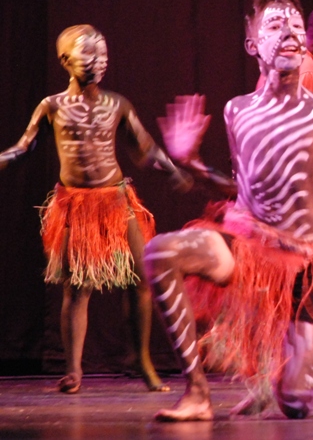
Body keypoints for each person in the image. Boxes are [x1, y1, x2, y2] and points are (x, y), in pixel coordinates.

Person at [143, 0, 313, 421]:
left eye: (296, 26)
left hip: (299, 261)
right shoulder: (237, 111)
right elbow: (240, 187)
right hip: (246, 245)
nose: (289, 34)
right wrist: (193, 163)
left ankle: (281, 370)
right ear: (253, 44)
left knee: (296, 404)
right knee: (159, 252)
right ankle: (197, 394)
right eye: (276, 26)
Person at [0, 25, 188, 394]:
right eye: (88, 53)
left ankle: (142, 360)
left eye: (103, 54)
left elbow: (145, 146)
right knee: (77, 288)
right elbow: (24, 147)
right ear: (65, 60)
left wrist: (172, 169)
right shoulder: (52, 106)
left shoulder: (117, 104)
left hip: (115, 199)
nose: (98, 61)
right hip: (76, 203)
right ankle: (73, 370)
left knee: (141, 279)